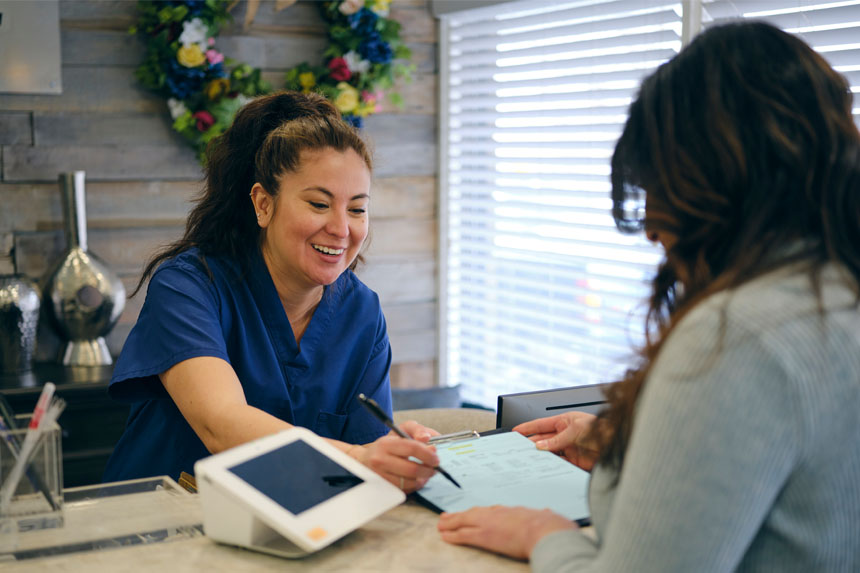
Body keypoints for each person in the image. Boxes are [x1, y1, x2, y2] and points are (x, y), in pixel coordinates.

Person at [437, 21, 860, 571]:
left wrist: (542, 534)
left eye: (658, 184)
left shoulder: (736, 337)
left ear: (712, 179)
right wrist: (627, 451)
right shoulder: (835, 293)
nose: (652, 232)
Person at [103, 91, 439, 492]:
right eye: (318, 203)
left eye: (356, 209)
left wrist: (397, 456)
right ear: (263, 204)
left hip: (294, 528)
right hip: (158, 527)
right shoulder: (190, 287)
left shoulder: (361, 312)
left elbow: (367, 455)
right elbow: (220, 422)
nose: (341, 229)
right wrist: (358, 458)